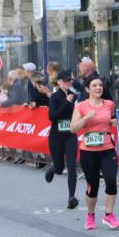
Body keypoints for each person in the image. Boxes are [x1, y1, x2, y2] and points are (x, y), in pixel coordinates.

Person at [71, 75, 119, 230]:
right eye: (94, 85)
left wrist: (114, 122)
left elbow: (112, 120)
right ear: (87, 89)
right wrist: (86, 117)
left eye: (100, 85)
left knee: (111, 180)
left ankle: (109, 215)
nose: (99, 88)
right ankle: (90, 215)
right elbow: (73, 129)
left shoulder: (110, 104)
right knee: (92, 186)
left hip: (107, 149)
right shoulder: (81, 106)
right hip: (88, 152)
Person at [44, 69, 79, 209]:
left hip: (70, 135)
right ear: (58, 82)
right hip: (56, 137)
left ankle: (72, 197)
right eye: (64, 81)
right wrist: (65, 103)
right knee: (60, 168)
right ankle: (53, 168)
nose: (67, 83)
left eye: (69, 80)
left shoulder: (73, 95)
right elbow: (52, 116)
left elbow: (75, 113)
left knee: (72, 166)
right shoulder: (54, 97)